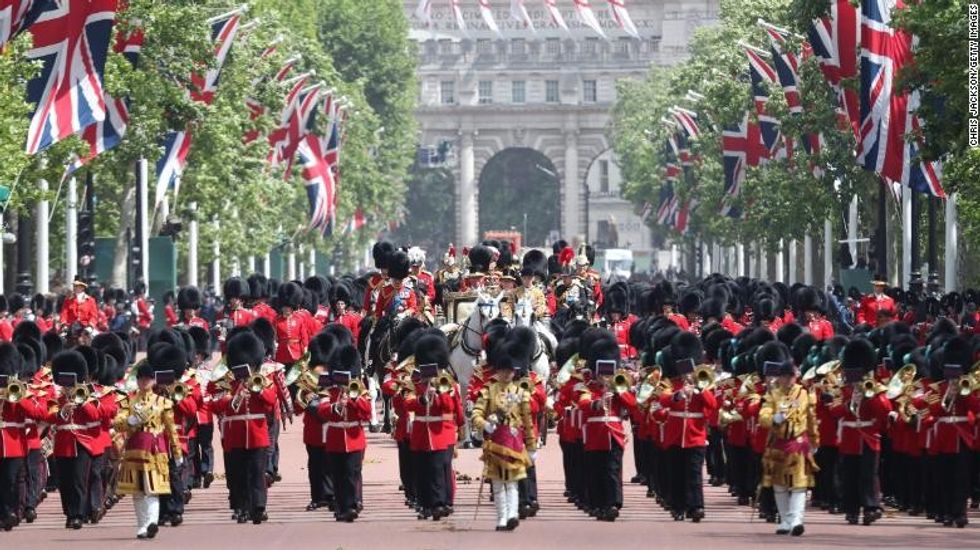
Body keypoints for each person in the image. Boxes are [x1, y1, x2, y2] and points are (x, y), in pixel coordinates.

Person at [471, 328, 537, 531]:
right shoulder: (488, 391)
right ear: (498, 370)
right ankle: (501, 517)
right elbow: (476, 415)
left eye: (510, 371)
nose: (507, 374)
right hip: (496, 443)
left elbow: (527, 422)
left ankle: (512, 514)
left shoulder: (521, 393)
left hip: (515, 442)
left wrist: (532, 447)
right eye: (503, 371)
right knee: (499, 484)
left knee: (513, 483)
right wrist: (486, 424)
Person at [210, 331, 278, 524]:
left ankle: (258, 507)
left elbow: (271, 401)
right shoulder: (227, 384)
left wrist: (257, 390)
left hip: (256, 434)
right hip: (236, 435)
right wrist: (233, 397)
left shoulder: (262, 381)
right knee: (238, 474)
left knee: (257, 473)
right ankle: (241, 507)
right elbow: (214, 405)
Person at [113, 359, 182, 539]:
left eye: (148, 379)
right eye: (141, 379)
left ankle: (152, 522)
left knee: (152, 489)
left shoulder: (163, 402)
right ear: (137, 381)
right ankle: (142, 525)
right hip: (134, 448)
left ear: (153, 381)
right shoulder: (128, 401)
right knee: (137, 491)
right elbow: (117, 423)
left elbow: (171, 429)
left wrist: (177, 452)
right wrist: (129, 421)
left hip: (154, 449)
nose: (144, 382)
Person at [829, 338, 892, 525]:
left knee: (868, 474)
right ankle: (851, 509)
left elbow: (884, 409)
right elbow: (834, 410)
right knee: (849, 474)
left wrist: (867, 397)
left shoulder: (874, 388)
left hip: (868, 437)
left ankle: (871, 507)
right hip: (849, 438)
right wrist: (851, 403)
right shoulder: (843, 390)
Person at [758, 346, 818, 536]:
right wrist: (774, 418)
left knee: (799, 484)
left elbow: (811, 418)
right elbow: (763, 416)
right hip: (779, 443)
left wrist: (815, 441)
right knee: (780, 484)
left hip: (798, 443)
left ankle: (796, 519)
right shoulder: (773, 395)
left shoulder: (803, 394)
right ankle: (785, 519)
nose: (789, 380)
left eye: (791, 376)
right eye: (785, 376)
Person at [310, 345, 371, 522]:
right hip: (335, 438)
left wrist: (353, 400)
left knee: (352, 473)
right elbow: (321, 410)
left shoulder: (358, 388)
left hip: (354, 438)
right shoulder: (329, 389)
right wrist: (337, 406)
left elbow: (366, 412)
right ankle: (341, 506)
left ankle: (351, 506)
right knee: (338, 474)